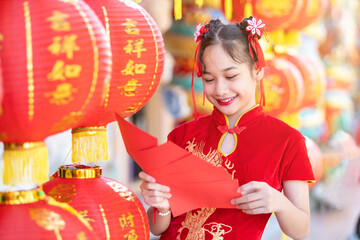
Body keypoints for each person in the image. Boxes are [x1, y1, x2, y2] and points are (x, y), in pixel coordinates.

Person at [139, 17, 315, 240]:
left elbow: (301, 231)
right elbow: (157, 227)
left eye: (231, 76)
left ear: (257, 70)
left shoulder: (287, 141)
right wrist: (161, 205)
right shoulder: (181, 136)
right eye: (209, 79)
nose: (220, 90)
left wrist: (278, 202)